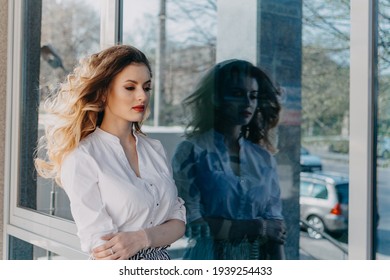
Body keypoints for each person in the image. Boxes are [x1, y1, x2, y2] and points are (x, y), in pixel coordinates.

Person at [35, 45, 186, 260]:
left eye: (147, 87)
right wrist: (155, 235)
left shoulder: (154, 149)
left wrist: (141, 238)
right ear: (104, 93)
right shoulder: (82, 157)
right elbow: (103, 249)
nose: (142, 96)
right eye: (130, 87)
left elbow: (179, 223)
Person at [172, 59, 286, 260]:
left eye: (253, 96)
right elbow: (191, 225)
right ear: (216, 98)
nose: (247, 103)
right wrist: (257, 227)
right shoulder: (192, 151)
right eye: (237, 94)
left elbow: (275, 229)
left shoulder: (264, 159)